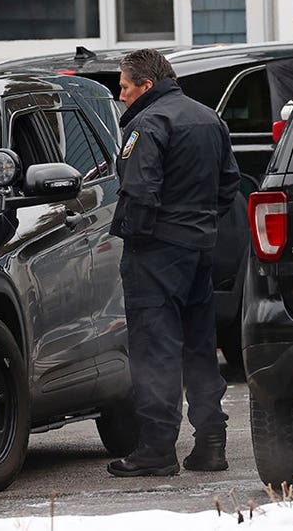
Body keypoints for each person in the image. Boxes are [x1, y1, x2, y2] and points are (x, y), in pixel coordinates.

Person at [106, 49, 240, 477]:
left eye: (125, 87)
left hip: (156, 253)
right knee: (199, 346)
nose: (121, 95)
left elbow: (139, 190)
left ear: (146, 85)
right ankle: (211, 443)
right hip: (198, 248)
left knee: (155, 349)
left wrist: (138, 237)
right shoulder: (208, 117)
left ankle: (157, 449)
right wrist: (200, 223)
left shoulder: (148, 123)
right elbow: (230, 184)